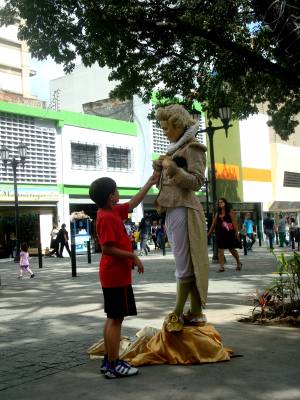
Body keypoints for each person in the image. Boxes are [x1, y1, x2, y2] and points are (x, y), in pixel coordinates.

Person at [89, 173, 158, 379]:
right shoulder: (108, 217)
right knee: (116, 319)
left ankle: (108, 360)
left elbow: (132, 204)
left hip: (114, 274)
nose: (119, 193)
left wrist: (149, 182)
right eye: (116, 190)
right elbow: (107, 248)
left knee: (113, 317)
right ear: (111, 196)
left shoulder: (110, 211)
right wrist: (133, 256)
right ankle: (113, 364)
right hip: (114, 274)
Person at [152, 104, 209, 332]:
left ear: (179, 125)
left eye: (167, 128)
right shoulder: (175, 149)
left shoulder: (193, 148)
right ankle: (195, 312)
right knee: (188, 262)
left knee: (184, 263)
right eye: (162, 127)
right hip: (174, 210)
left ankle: (177, 311)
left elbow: (197, 182)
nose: (164, 131)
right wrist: (163, 165)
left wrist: (174, 169)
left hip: (185, 209)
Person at [207, 198, 242, 272]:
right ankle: (222, 267)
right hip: (220, 234)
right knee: (220, 250)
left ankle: (238, 262)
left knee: (232, 250)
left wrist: (237, 233)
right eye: (219, 202)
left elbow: (235, 223)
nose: (220, 203)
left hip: (230, 234)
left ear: (225, 203)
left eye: (221, 202)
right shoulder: (217, 214)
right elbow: (213, 224)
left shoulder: (230, 212)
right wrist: (209, 233)